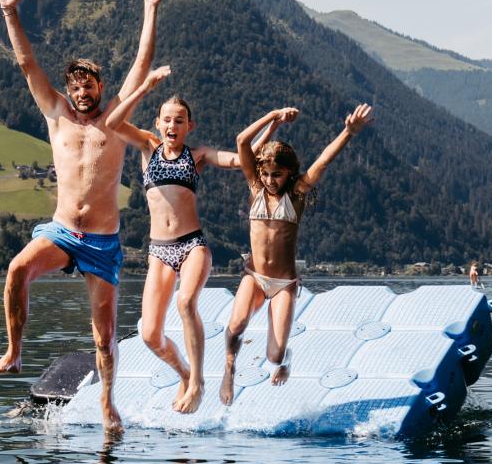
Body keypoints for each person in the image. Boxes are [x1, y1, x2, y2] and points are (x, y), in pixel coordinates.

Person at [0, 0, 165, 435]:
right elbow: (27, 64)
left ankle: (107, 403)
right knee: (16, 270)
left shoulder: (116, 118)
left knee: (104, 337)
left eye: (91, 86)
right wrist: (9, 12)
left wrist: (149, 9)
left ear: (101, 88)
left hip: (103, 240)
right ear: (69, 90)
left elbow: (141, 67)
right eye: (76, 86)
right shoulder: (56, 113)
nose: (83, 93)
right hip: (63, 231)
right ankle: (15, 351)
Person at [97, 74, 246, 412]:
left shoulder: (197, 156)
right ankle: (183, 373)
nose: (172, 125)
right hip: (159, 252)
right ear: (158, 124)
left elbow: (237, 160)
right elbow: (113, 121)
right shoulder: (148, 147)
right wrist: (145, 88)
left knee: (186, 303)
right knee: (150, 334)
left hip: (192, 245)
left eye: (179, 120)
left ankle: (197, 383)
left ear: (189, 125)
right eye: (167, 119)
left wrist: (261, 139)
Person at [219, 103, 374, 403]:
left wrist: (348, 132)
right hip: (254, 277)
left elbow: (324, 162)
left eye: (276, 175)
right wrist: (273, 116)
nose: (269, 180)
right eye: (265, 174)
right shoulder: (255, 188)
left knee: (274, 355)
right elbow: (242, 142)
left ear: (289, 173)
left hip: (284, 285)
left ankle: (286, 357)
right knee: (236, 326)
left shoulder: (297, 193)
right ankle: (229, 369)